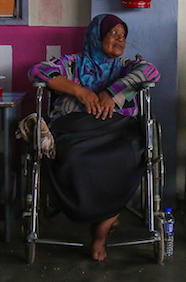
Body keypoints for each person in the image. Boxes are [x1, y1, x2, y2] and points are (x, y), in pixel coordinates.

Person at [28, 14, 160, 261]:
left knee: (128, 154)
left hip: (118, 128)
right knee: (73, 156)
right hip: (75, 127)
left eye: (123, 35)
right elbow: (38, 70)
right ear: (96, 36)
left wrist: (112, 93)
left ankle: (102, 229)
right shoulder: (73, 64)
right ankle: (95, 215)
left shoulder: (125, 67)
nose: (120, 40)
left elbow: (151, 72)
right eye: (113, 34)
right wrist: (81, 91)